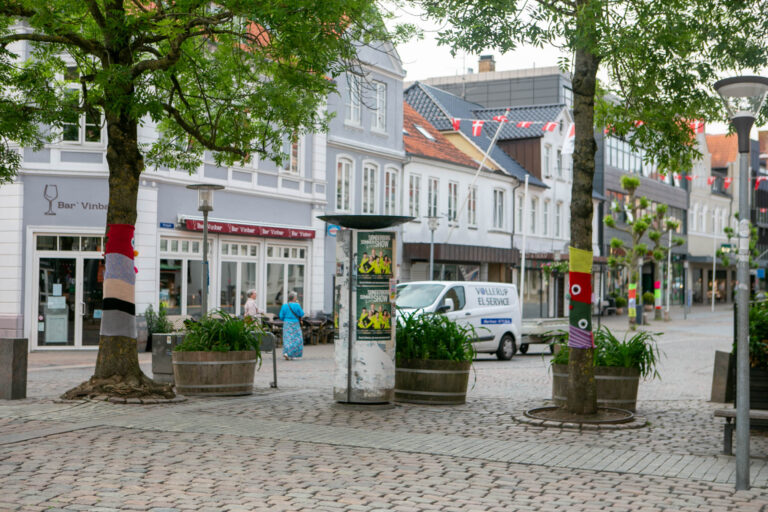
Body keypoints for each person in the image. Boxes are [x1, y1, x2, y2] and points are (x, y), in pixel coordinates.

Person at [279, 291, 305, 360]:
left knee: (287, 338)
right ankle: (293, 355)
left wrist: (287, 318)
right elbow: (302, 314)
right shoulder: (297, 305)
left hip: (287, 324)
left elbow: (281, 316)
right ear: (294, 298)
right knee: (296, 339)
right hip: (295, 324)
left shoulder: (284, 306)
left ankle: (286, 353)